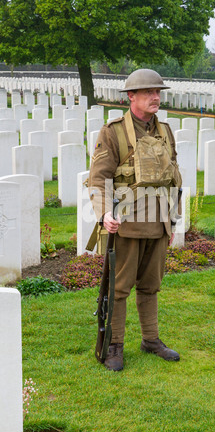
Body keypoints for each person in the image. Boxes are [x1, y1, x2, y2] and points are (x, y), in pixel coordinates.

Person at [88, 69, 182, 371]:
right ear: (131, 97)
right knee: (119, 287)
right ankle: (115, 344)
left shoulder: (165, 131)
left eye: (158, 92)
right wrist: (104, 213)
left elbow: (174, 177)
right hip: (127, 221)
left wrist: (173, 219)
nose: (156, 97)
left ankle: (151, 339)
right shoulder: (113, 132)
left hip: (160, 221)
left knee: (151, 285)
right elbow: (98, 177)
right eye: (148, 93)